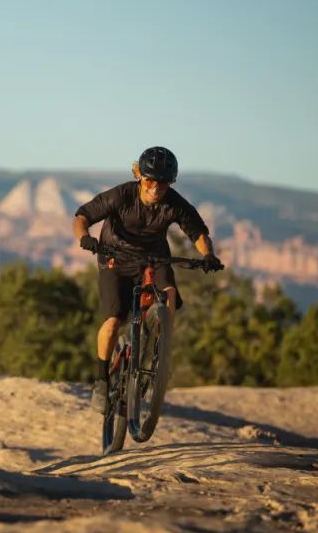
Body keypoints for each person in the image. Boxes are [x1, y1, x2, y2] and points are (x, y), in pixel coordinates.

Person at [72, 146, 223, 414]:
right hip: (114, 259)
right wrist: (85, 237)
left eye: (163, 182)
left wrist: (208, 254)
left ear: (170, 182)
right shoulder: (122, 195)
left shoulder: (174, 203)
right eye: (150, 180)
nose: (156, 187)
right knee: (112, 322)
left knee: (170, 296)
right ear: (139, 175)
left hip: (153, 259)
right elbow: (83, 215)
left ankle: (159, 358)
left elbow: (197, 233)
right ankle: (101, 380)